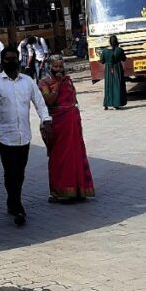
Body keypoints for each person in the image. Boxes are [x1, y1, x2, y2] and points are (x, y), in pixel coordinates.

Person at [0, 44, 51, 226]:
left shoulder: (28, 82)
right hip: (4, 137)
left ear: (19, 60)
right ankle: (18, 207)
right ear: (2, 61)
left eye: (13, 58)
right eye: (7, 59)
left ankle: (12, 201)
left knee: (20, 173)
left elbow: (40, 103)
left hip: (24, 136)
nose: (11, 62)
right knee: (10, 172)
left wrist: (46, 119)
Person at [37, 54, 95, 202]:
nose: (58, 69)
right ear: (50, 66)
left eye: (61, 66)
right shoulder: (44, 82)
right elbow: (48, 101)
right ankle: (58, 191)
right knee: (59, 157)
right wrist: (56, 85)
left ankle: (78, 189)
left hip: (72, 124)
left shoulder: (68, 80)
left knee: (76, 155)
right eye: (55, 66)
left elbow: (73, 99)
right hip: (57, 124)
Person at [98, 34, 127, 110]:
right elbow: (124, 59)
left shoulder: (104, 51)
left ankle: (106, 104)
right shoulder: (119, 50)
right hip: (117, 69)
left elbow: (102, 61)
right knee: (117, 85)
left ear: (109, 42)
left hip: (108, 70)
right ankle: (116, 104)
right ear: (117, 41)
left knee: (108, 86)